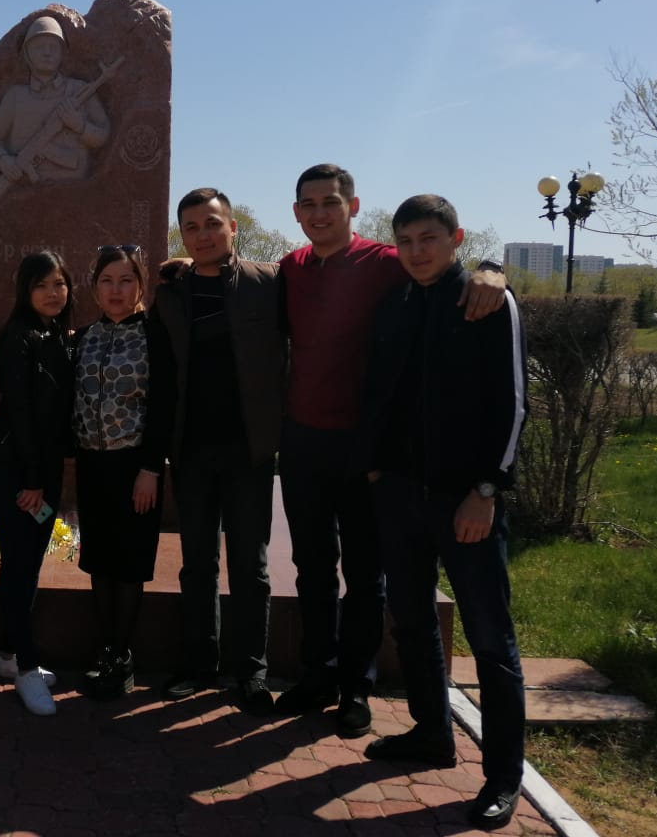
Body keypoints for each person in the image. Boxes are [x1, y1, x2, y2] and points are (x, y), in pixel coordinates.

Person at [276, 164, 506, 738]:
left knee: (365, 573)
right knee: (311, 568)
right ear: (297, 212)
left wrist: (493, 268)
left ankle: (356, 685)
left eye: (330, 202)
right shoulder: (290, 268)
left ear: (352, 207)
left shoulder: (387, 263)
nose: (319, 214)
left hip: (369, 451)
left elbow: (448, 270)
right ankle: (318, 673)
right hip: (303, 443)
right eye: (308, 204)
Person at [360, 194, 527, 832]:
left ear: (455, 239)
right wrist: (376, 468)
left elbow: (512, 403)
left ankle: (503, 776)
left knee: (490, 639)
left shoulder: (486, 301)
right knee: (411, 622)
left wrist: (487, 490)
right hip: (400, 495)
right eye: (405, 241)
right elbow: (381, 390)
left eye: (428, 238)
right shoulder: (396, 302)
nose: (416, 251)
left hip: (466, 503)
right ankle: (431, 733)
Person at [152, 188, 285, 714]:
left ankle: (252, 671)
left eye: (211, 223)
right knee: (197, 564)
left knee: (250, 565)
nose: (202, 234)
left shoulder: (269, 282)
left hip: (249, 451)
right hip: (192, 451)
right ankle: (198, 665)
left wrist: (489, 270)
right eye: (191, 227)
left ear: (232, 227)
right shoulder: (171, 293)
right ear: (182, 236)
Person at [72, 245, 174, 700]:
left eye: (126, 280)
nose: (116, 290)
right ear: (95, 286)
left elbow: (164, 406)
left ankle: (123, 653)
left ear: (141, 284)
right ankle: (107, 648)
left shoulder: (155, 336)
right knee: (99, 558)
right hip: (92, 465)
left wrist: (151, 468)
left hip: (136, 467)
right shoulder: (83, 337)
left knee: (130, 560)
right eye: (107, 281)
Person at [0, 251, 75, 716]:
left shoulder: (56, 333)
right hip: (16, 467)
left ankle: (6, 653)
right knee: (19, 563)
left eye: (59, 284)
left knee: (29, 561)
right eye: (42, 285)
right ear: (25, 290)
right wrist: (34, 480)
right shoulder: (16, 337)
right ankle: (25, 666)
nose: (52, 293)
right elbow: (19, 413)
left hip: (44, 466)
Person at [0, 15, 110, 190]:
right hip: (24, 192)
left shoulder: (79, 90)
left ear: (62, 53)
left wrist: (80, 126)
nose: (47, 52)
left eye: (53, 47)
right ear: (27, 54)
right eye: (39, 47)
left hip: (75, 190)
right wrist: (4, 161)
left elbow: (104, 135)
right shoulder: (14, 96)